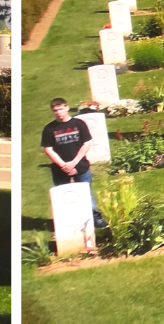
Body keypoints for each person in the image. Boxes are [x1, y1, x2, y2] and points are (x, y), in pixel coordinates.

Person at [41, 97, 107, 229]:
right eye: (55, 110)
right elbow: (48, 149)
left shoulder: (79, 124)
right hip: (60, 169)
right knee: (64, 197)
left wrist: (74, 163)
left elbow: (86, 143)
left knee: (86, 193)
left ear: (66, 107)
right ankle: (68, 222)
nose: (58, 112)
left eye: (60, 109)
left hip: (80, 165)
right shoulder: (49, 129)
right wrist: (63, 165)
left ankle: (95, 218)